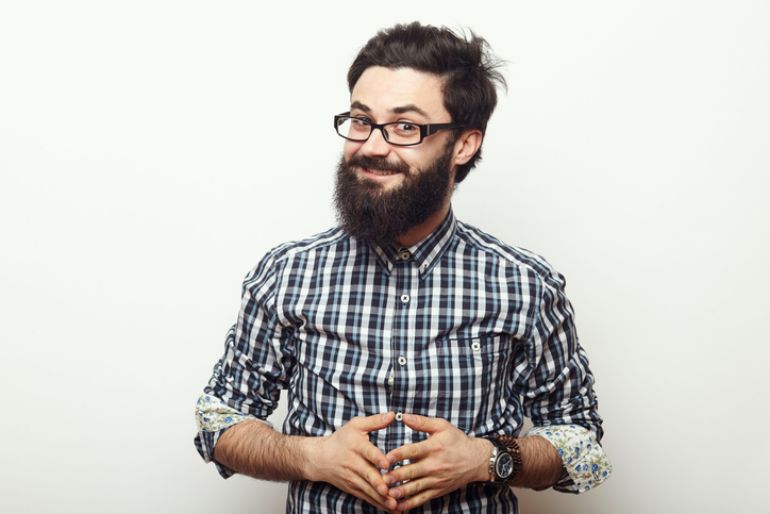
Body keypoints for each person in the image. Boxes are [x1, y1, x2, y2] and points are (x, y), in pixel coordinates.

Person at [194, 21, 611, 513]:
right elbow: (217, 422)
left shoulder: (524, 285)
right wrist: (309, 456)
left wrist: (488, 458)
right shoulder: (288, 274)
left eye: (406, 127)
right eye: (360, 120)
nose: (371, 145)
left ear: (463, 145)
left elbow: (583, 447)